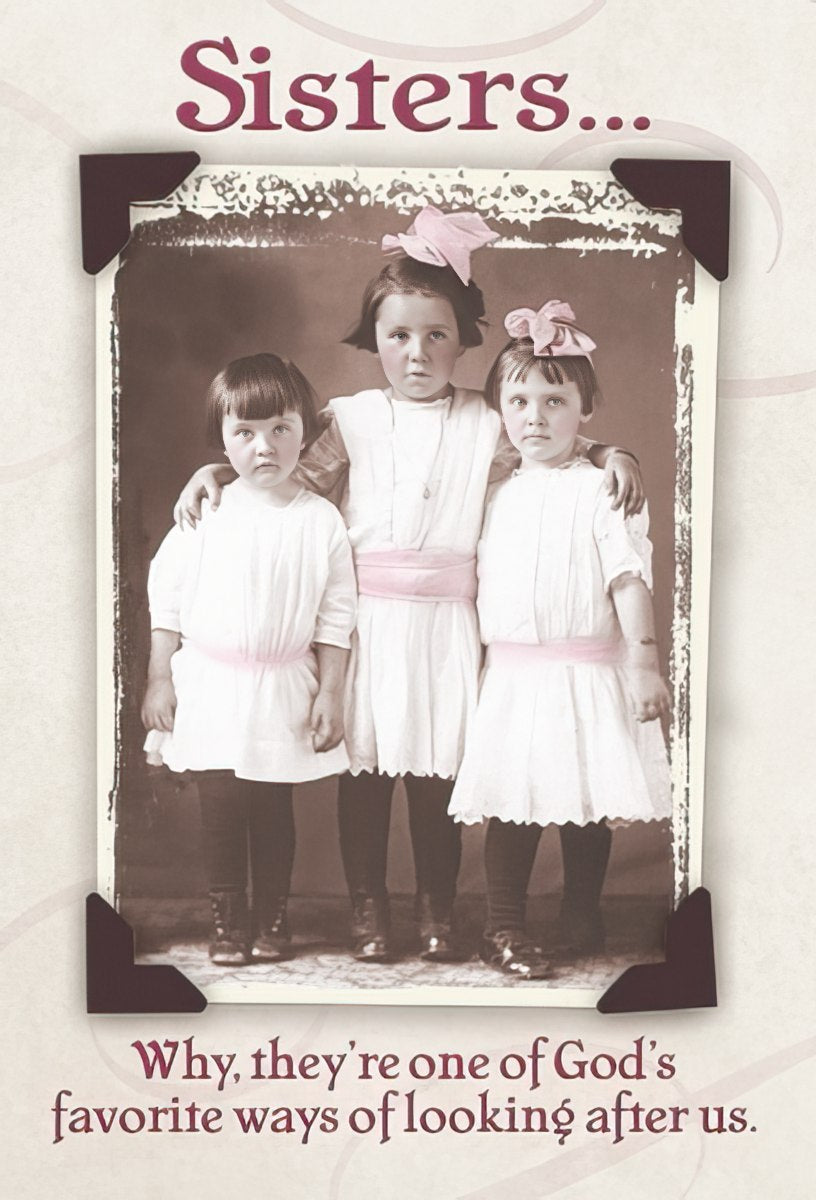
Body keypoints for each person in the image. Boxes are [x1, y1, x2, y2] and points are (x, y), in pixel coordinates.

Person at [173, 206, 644, 964]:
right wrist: (213, 472)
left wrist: (611, 452)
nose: (417, 353)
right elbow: (278, 467)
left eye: (436, 335)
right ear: (375, 338)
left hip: (448, 624)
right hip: (369, 621)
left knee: (438, 776)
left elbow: (550, 439)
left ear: (464, 339)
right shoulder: (350, 419)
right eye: (397, 336)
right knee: (365, 773)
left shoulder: (485, 419)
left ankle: (436, 911)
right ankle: (370, 910)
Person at [448, 302, 672, 979]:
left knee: (585, 802)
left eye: (555, 401)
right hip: (515, 675)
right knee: (513, 805)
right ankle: (503, 926)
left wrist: (644, 662)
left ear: (585, 409)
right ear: (499, 411)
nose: (535, 417)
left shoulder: (602, 489)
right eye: (518, 401)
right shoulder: (492, 489)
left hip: (586, 669)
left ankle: (581, 914)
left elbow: (628, 578)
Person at [141, 353, 356, 966]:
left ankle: (271, 918)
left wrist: (329, 692)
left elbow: (336, 615)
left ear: (305, 432)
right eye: (245, 432)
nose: (265, 447)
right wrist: (159, 677)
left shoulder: (320, 519)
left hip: (282, 683)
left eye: (281, 428)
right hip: (211, 684)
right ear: (223, 439)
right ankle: (228, 920)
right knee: (220, 809)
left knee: (271, 810)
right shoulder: (206, 509)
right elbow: (167, 600)